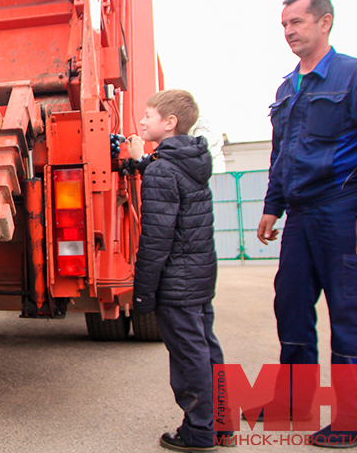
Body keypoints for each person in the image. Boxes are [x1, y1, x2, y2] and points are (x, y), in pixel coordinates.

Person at [258, 0, 357, 446]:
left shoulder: (354, 75)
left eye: (297, 22)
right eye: (284, 25)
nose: (289, 32)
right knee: (292, 306)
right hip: (300, 215)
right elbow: (281, 154)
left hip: (343, 210)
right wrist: (271, 206)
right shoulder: (288, 88)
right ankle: (294, 402)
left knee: (350, 313)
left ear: (325, 22)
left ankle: (356, 418)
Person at [128, 89, 227, 452]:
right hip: (199, 277)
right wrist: (142, 164)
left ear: (169, 124)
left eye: (149, 116)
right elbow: (169, 184)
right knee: (206, 348)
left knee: (189, 356)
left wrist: (142, 293)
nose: (142, 122)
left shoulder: (162, 170)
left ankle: (199, 431)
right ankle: (221, 422)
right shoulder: (192, 160)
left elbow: (156, 239)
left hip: (177, 283)